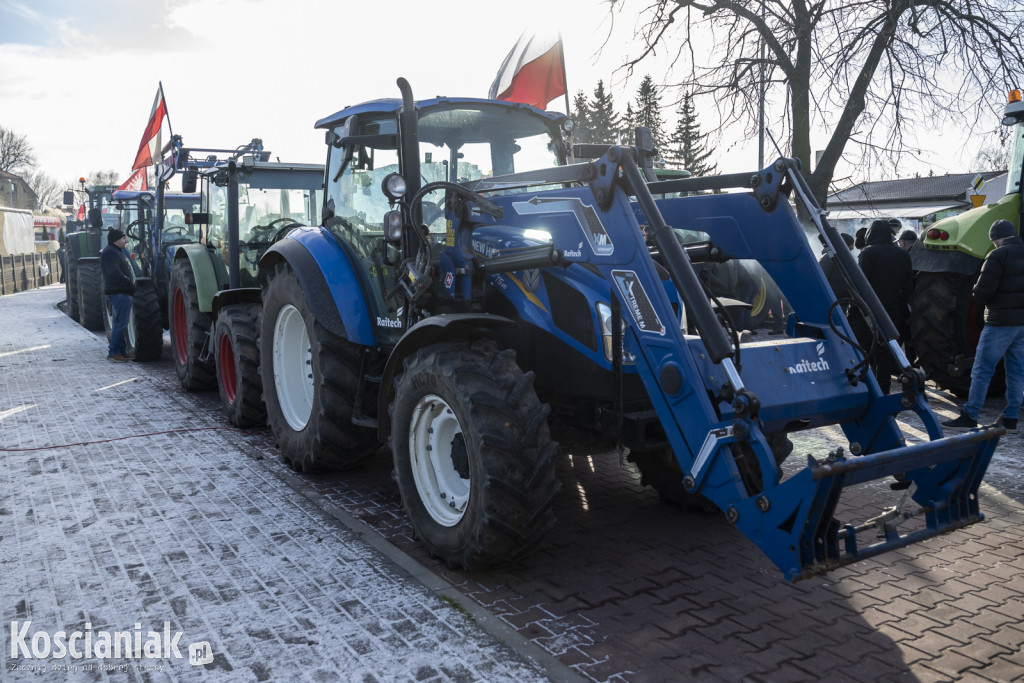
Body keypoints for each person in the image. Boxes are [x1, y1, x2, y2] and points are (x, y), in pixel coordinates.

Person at [943, 219, 1024, 432]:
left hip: (999, 323)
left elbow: (982, 292)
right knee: (1016, 372)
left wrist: (976, 291)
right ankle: (1011, 418)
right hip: (1021, 324)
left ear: (995, 238)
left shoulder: (998, 255)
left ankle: (970, 415)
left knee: (982, 370)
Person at [849, 219, 915, 393]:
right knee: (885, 351)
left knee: (863, 349)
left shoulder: (868, 253)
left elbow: (860, 284)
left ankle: (864, 387)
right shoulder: (903, 254)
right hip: (893, 310)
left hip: (869, 311)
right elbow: (909, 284)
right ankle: (883, 388)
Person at [100, 228, 136, 362]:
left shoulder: (115, 251)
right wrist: (129, 283)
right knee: (120, 323)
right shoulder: (110, 253)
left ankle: (121, 351)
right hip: (119, 292)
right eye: (123, 238)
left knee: (121, 323)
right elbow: (114, 272)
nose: (125, 241)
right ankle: (114, 352)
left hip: (120, 292)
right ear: (116, 240)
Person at [818, 232, 856, 305]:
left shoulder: (843, 259)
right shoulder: (828, 258)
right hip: (832, 300)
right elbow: (821, 277)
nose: (852, 248)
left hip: (842, 300)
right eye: (851, 245)